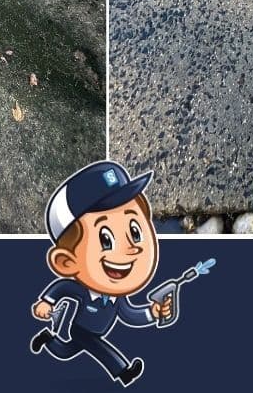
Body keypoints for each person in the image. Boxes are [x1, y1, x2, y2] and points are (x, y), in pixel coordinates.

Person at [30, 161, 171, 387]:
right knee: (95, 346)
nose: (130, 249)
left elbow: (129, 315)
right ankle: (123, 371)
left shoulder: (118, 295)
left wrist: (152, 313)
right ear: (66, 262)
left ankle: (47, 340)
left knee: (64, 351)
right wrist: (46, 301)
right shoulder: (82, 288)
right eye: (106, 239)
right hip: (81, 329)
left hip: (91, 330)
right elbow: (63, 287)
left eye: (135, 232)